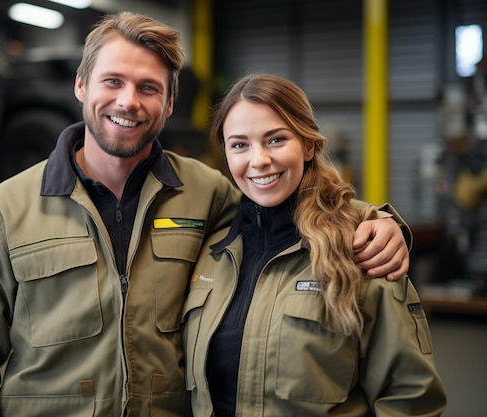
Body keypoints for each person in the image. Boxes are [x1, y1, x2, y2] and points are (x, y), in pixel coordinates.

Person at [0, 12, 412, 417]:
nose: (128, 101)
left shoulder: (207, 192)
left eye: (148, 87)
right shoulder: (7, 208)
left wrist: (381, 222)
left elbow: (285, 204)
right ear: (81, 86)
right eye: (113, 81)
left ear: (168, 103)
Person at [182, 73, 447, 417]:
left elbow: (410, 398)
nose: (258, 160)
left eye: (276, 139)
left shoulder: (361, 248)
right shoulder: (212, 251)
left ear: (308, 144)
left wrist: (377, 218)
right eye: (239, 144)